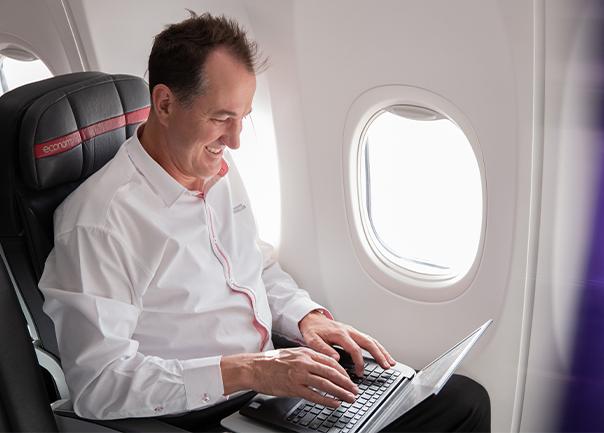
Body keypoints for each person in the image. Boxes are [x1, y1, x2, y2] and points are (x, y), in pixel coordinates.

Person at [38, 11, 490, 432]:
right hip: (197, 410)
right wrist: (253, 370)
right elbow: (99, 383)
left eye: (243, 119)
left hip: (266, 384)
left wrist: (305, 318)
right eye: (221, 119)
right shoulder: (100, 223)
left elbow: (254, 266)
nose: (234, 141)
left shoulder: (213, 169)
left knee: (461, 401)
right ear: (165, 103)